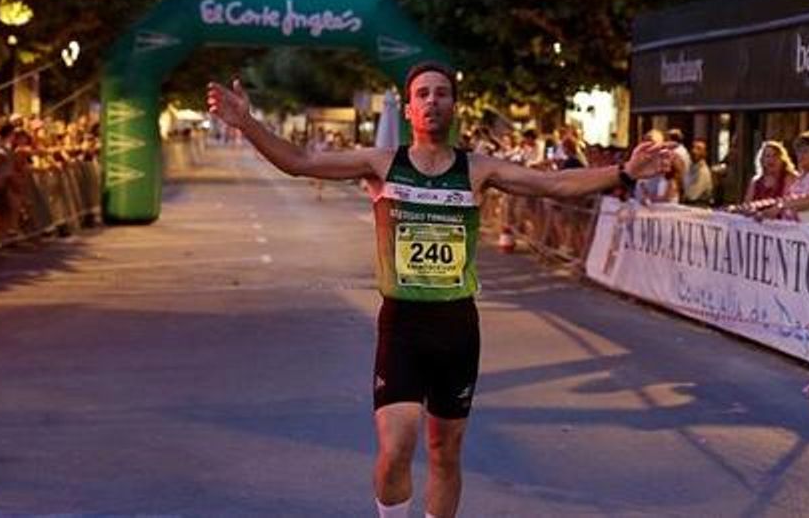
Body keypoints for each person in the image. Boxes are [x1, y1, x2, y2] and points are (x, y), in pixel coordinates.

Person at [207, 63, 666, 518]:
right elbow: (300, 162)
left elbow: (555, 183)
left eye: (441, 93)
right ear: (409, 109)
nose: (432, 101)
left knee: (445, 451)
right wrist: (247, 122)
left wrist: (624, 173)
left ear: (454, 107)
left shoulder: (477, 169)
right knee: (396, 446)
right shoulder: (382, 163)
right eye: (422, 94)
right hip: (403, 324)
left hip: (457, 326)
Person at [741, 141, 795, 218]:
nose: (771, 159)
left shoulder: (789, 178)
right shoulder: (756, 181)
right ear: (762, 160)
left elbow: (788, 202)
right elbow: (747, 205)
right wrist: (751, 211)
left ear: (782, 159)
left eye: (775, 156)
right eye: (767, 156)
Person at [681, 139, 715, 205]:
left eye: (699, 149)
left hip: (698, 208)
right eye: (693, 147)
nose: (694, 151)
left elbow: (692, 196)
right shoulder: (690, 167)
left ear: (705, 153)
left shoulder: (703, 171)